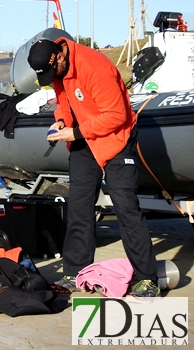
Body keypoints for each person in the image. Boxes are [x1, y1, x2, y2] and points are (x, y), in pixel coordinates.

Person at [27, 37, 160, 298]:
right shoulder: (58, 71)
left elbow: (117, 115)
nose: (53, 77)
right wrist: (62, 122)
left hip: (116, 140)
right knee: (78, 204)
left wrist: (75, 133)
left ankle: (147, 279)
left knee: (126, 207)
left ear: (60, 57)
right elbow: (64, 102)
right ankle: (75, 270)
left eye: (52, 71)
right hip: (84, 141)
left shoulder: (95, 67)